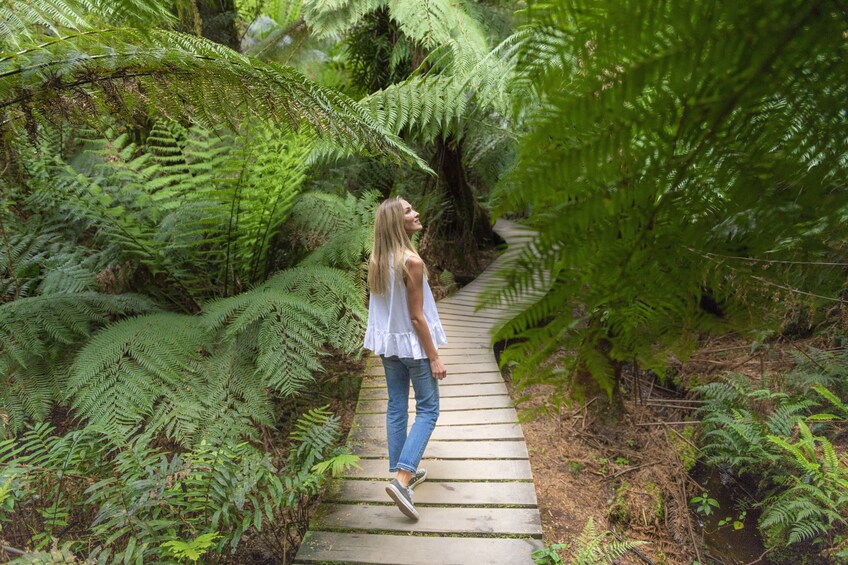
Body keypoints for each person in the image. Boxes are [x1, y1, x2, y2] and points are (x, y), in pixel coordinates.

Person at [363, 197, 448, 520]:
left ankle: (402, 473)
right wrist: (435, 357)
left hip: (388, 346)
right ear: (397, 223)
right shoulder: (411, 261)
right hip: (412, 346)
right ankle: (402, 479)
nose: (416, 214)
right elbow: (416, 317)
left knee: (397, 406)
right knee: (429, 409)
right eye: (409, 211)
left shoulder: (377, 259)